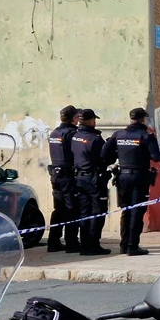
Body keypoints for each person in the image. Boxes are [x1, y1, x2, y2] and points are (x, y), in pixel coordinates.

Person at [105, 107, 158, 256]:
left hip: (122, 176)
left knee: (126, 211)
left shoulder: (118, 135)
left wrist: (119, 156)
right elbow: (156, 156)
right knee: (137, 211)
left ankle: (124, 245)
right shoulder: (146, 136)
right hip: (139, 177)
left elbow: (104, 153)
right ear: (143, 119)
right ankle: (132, 246)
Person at [69, 109, 112, 256]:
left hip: (79, 178)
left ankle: (85, 244)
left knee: (84, 212)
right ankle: (93, 245)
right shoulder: (95, 139)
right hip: (94, 180)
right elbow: (105, 158)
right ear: (91, 121)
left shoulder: (75, 136)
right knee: (97, 212)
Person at [45, 105, 78, 252]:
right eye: (77, 116)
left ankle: (53, 241)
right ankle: (71, 242)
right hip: (68, 175)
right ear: (73, 118)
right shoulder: (71, 133)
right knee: (71, 208)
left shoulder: (54, 133)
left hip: (55, 175)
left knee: (58, 209)